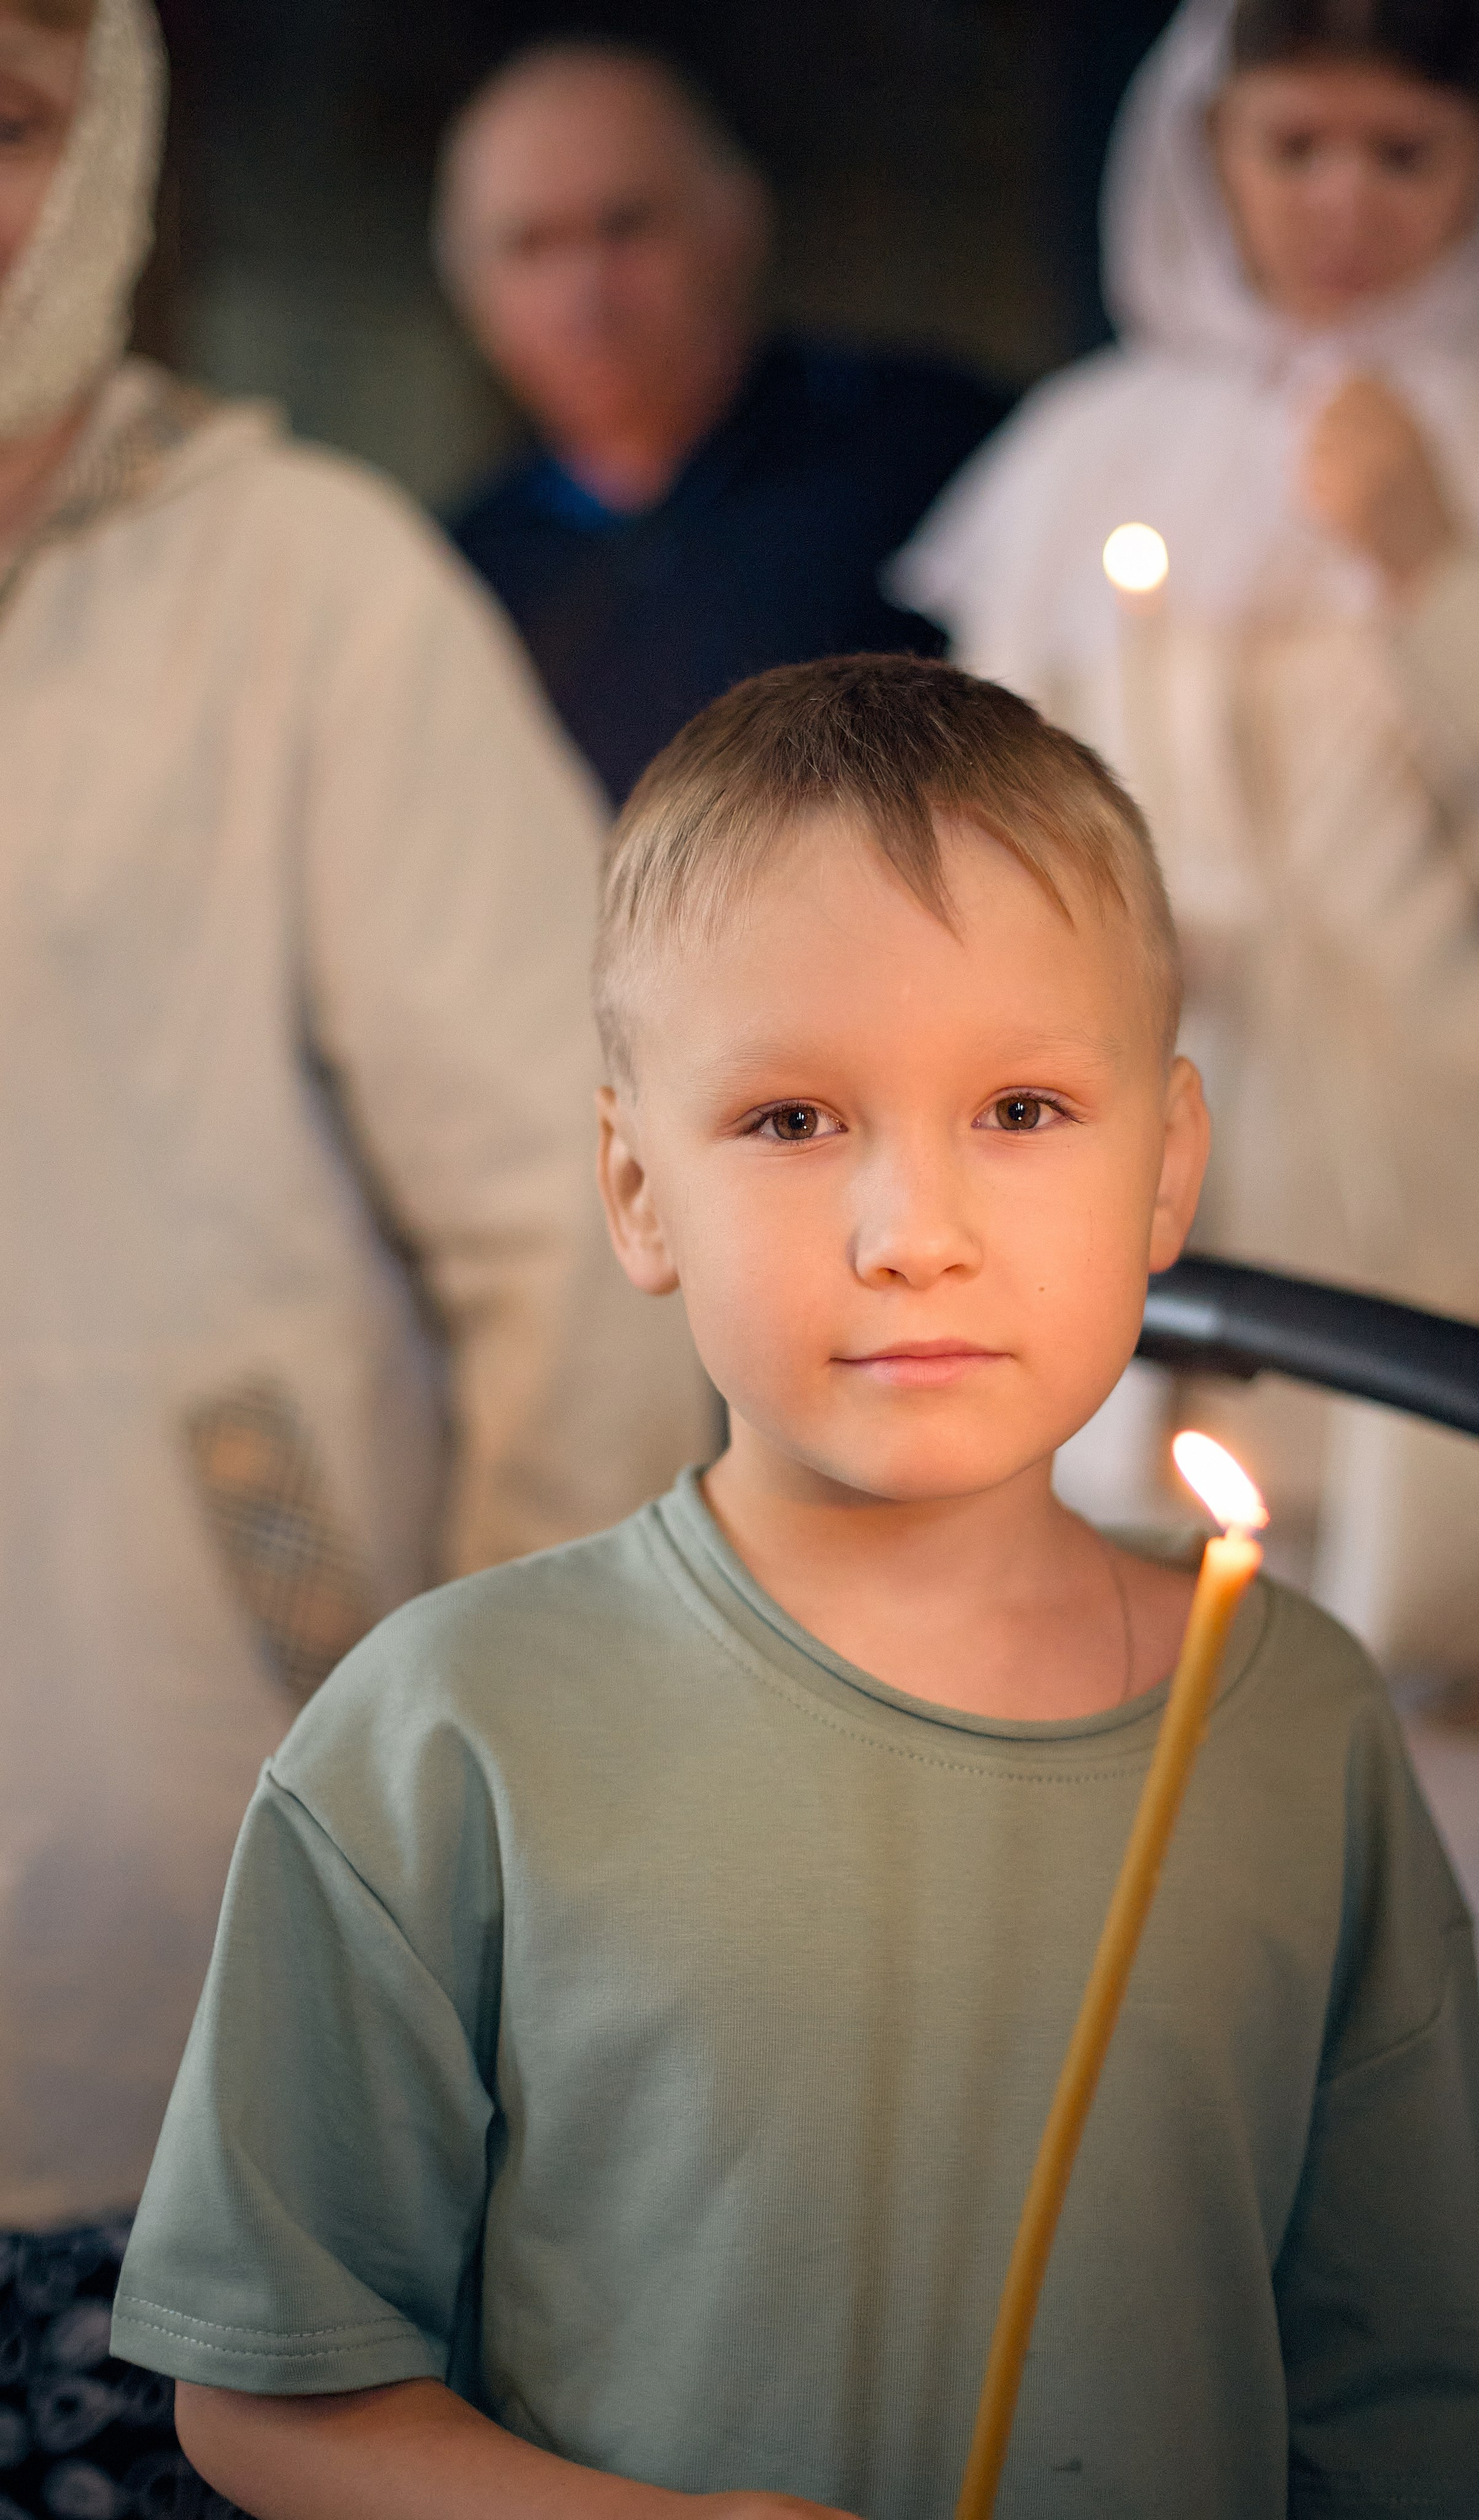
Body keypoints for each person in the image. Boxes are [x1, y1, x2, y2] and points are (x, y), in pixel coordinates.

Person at [112, 656, 1479, 2520]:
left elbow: (1418, 2427)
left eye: (1024, 1111)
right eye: (793, 1123)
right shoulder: (445, 1732)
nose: (915, 1236)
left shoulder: (1300, 1724)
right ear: (637, 1191)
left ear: (1170, 1168)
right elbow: (270, 2397)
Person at [1, 1, 712, 2501]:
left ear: (111, 158)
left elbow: (585, 1190)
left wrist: (458, 1806)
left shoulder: (294, 583)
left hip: (201, 1861)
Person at [893, 0, 1479, 1672]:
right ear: (1207, 144)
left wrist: (1435, 575)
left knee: (1474, 1812)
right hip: (1145, 1235)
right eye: (1291, 146)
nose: (1340, 202)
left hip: (1473, 1247)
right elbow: (964, 877)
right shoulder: (1086, 452)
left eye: (1399, 153)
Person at [435, 41, 1012, 805]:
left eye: (625, 226)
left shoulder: (933, 448)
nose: (586, 290)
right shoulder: (462, 579)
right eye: (533, 245)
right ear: (471, 296)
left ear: (735, 221)